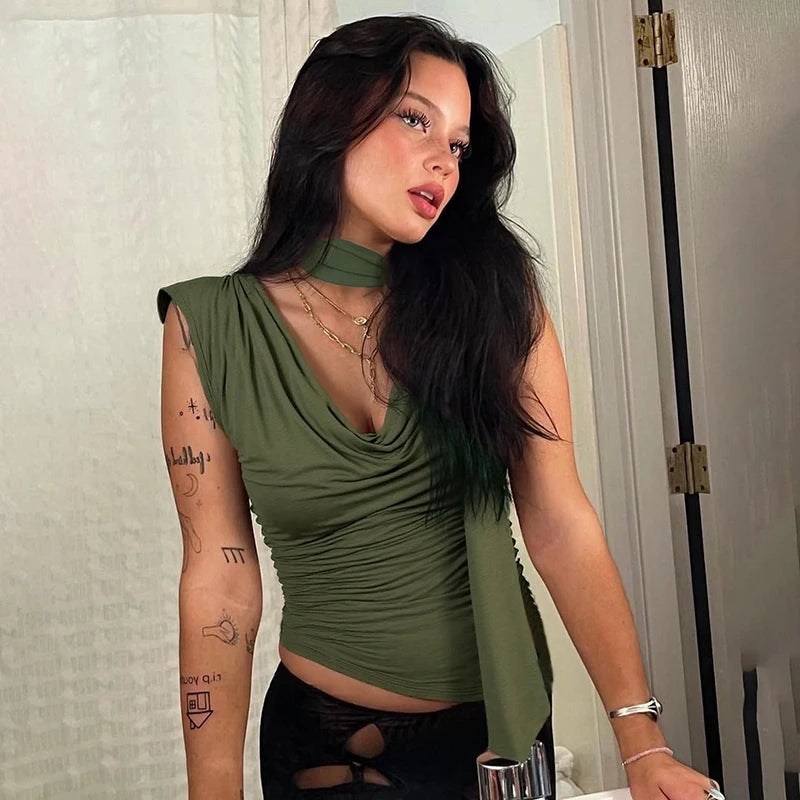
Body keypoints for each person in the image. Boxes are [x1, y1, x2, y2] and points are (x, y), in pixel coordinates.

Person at [157, 13, 725, 800]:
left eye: (458, 144)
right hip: (326, 743)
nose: (442, 161)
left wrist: (642, 745)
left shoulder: (493, 297)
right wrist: (211, 788)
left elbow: (559, 522)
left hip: (499, 737)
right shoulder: (208, 325)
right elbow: (218, 577)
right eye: (415, 119)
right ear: (330, 115)